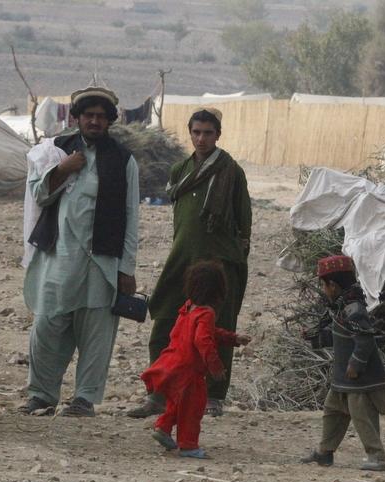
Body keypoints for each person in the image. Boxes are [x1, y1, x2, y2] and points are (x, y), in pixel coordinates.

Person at [20, 87, 140, 417]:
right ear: (77, 118)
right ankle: (41, 395)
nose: (95, 121)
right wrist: (63, 169)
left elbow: (131, 215)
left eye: (101, 116)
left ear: (110, 121)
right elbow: (38, 195)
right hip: (58, 256)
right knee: (47, 325)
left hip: (101, 260)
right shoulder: (56, 150)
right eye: (89, 115)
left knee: (97, 332)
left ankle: (84, 399)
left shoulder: (123, 160)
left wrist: (127, 267)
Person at [128, 107, 252, 419]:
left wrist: (234, 264)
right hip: (182, 258)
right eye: (196, 132)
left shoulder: (231, 171)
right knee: (165, 324)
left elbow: (244, 223)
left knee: (218, 328)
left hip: (219, 262)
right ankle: (158, 394)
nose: (201, 139)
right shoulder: (179, 170)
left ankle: (214, 397)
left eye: (208, 133)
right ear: (190, 133)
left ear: (218, 135)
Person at [142, 260, 251, 458]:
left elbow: (205, 333)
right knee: (193, 407)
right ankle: (188, 445)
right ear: (218, 290)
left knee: (177, 402)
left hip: (172, 364)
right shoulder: (207, 313)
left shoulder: (188, 308)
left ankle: (163, 427)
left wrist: (233, 338)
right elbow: (203, 340)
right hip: (189, 371)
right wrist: (215, 366)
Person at [301, 255, 385, 471]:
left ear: (333, 285)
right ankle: (325, 452)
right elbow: (341, 336)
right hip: (343, 379)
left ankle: (377, 457)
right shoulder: (342, 307)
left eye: (324, 285)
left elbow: (365, 339)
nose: (323, 290)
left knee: (363, 417)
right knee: (332, 412)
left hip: (359, 380)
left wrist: (355, 364)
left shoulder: (354, 309)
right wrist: (316, 339)